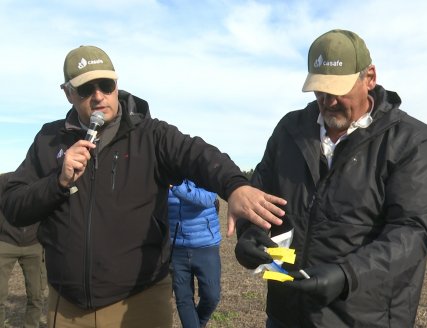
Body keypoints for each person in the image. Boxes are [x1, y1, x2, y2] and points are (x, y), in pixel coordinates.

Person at [1, 45, 286, 328]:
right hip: (66, 307)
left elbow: (198, 155)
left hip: (137, 304)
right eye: (87, 88)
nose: (99, 96)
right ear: (68, 93)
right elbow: (14, 207)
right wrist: (58, 182)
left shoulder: (150, 135)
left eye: (106, 84)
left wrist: (235, 187)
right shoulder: (49, 140)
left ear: (117, 84)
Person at [234, 29, 427, 327]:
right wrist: (249, 234)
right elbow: (259, 195)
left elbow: (412, 233)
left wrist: (347, 275)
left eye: (337, 89)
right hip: (286, 313)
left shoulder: (412, 142)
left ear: (369, 77)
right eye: (319, 90)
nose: (327, 101)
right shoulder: (290, 130)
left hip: (363, 317)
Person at [168, 180, 221, 328]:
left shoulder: (203, 167)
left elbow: (207, 199)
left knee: (212, 296)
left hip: (206, 244)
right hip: (175, 245)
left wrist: (175, 186)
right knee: (183, 299)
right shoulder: (164, 168)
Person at [0, 172, 46, 328]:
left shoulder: (45, 181)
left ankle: (31, 325)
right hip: (6, 242)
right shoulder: (6, 180)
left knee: (36, 295)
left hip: (34, 245)